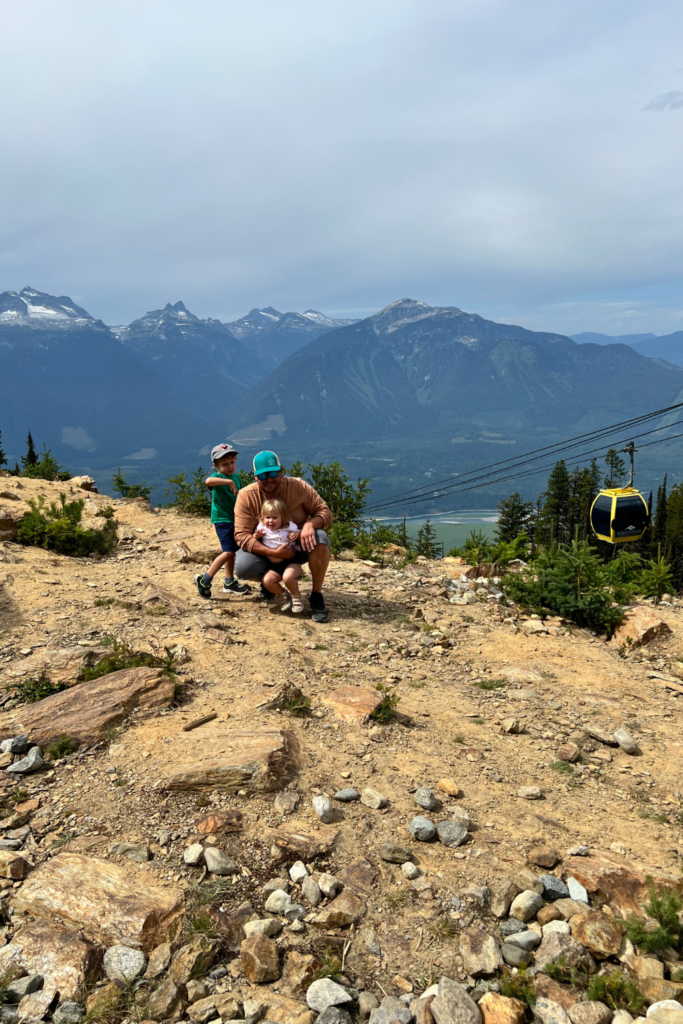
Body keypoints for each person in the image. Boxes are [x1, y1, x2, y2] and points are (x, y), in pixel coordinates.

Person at [234, 450, 333, 622]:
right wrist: (273, 553)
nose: (269, 479)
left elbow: (324, 511)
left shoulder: (298, 486)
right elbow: (241, 536)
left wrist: (310, 525)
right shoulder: (246, 496)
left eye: (273, 473)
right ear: (254, 476)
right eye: (263, 475)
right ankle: (273, 586)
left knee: (321, 539)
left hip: (298, 545)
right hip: (265, 550)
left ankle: (316, 595)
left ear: (281, 471)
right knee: (243, 568)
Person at [194, 443, 249, 598]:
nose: (230, 466)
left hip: (234, 519)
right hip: (223, 520)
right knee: (228, 552)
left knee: (231, 552)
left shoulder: (236, 476)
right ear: (216, 465)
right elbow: (208, 482)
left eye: (232, 462)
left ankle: (229, 582)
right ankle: (205, 580)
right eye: (225, 464)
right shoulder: (218, 477)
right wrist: (228, 482)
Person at [255, 498, 304, 613]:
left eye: (275, 518)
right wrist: (256, 536)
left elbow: (300, 533)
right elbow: (254, 541)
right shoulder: (262, 527)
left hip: (291, 561)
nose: (270, 521)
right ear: (262, 518)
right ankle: (283, 594)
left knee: (288, 578)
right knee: (267, 581)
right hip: (274, 565)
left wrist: (297, 534)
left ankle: (295, 595)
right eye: (267, 517)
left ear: (283, 518)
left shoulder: (289, 526)